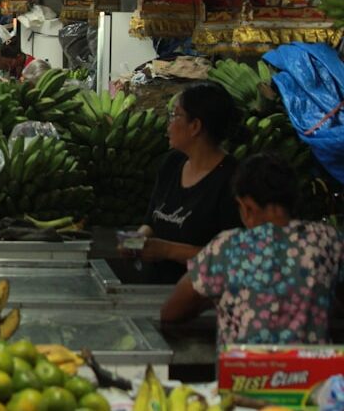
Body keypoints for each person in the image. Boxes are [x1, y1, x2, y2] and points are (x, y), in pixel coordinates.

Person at [160, 154, 344, 344]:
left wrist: (217, 299)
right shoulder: (328, 240)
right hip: (313, 363)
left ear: (246, 206)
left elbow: (171, 312)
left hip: (243, 363)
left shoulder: (227, 247)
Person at [127, 81, 242, 284]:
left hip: (201, 295)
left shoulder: (233, 180)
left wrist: (167, 250)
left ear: (195, 126)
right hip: (156, 289)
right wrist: (135, 242)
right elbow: (151, 221)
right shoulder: (172, 164)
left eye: (175, 115)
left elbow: (231, 256)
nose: (169, 124)